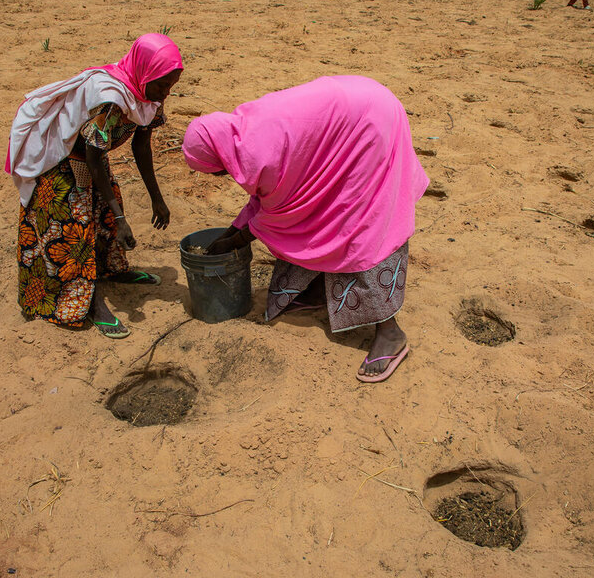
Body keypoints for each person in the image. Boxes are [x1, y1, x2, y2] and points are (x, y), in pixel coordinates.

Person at [182, 76, 429, 382]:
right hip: (360, 108)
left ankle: (390, 332)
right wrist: (231, 233)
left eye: (215, 169)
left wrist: (237, 239)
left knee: (358, 224)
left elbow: (282, 213)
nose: (221, 174)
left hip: (369, 124)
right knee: (324, 211)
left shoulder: (258, 151)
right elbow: (267, 198)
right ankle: (315, 288)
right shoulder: (244, 130)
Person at [6, 34, 183, 338]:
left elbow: (142, 146)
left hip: (91, 157)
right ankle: (91, 302)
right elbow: (92, 156)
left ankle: (111, 271)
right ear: (145, 73)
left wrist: (157, 198)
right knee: (75, 226)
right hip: (60, 160)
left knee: (106, 206)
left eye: (171, 86)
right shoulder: (110, 98)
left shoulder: (148, 95)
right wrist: (120, 218)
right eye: (162, 85)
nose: (165, 93)